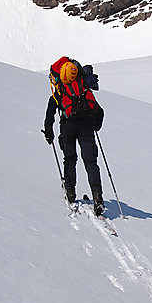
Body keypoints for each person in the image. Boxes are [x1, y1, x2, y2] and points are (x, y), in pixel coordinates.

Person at [43, 59, 105, 216]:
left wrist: (49, 132)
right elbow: (99, 112)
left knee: (70, 159)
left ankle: (70, 193)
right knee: (91, 162)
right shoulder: (83, 90)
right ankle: (98, 197)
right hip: (86, 128)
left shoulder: (59, 93)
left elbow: (50, 115)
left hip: (68, 128)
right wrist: (94, 126)